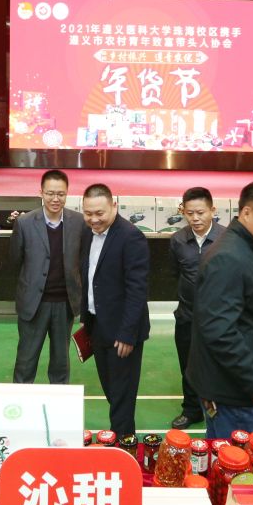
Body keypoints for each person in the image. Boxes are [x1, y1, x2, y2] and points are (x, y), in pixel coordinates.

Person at [187, 181, 253, 440]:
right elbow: (219, 331)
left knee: (221, 454)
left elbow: (246, 307)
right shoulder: (229, 258)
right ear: (246, 213)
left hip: (229, 386)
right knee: (237, 460)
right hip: (231, 393)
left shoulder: (248, 245)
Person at [79, 183, 150, 437]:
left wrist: (127, 333)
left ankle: (123, 445)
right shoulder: (88, 233)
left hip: (122, 332)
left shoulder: (131, 237)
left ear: (114, 207)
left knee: (122, 397)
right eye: (88, 213)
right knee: (111, 390)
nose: (94, 219)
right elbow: (91, 277)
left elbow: (137, 290)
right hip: (98, 326)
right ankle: (120, 440)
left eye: (100, 213)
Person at [9, 170, 84, 384]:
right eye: (50, 193)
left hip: (65, 304)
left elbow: (83, 260)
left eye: (61, 194)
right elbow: (15, 260)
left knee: (61, 363)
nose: (55, 199)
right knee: (26, 361)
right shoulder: (24, 223)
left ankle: (59, 402)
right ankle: (20, 401)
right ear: (41, 192)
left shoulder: (79, 222)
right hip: (34, 303)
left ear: (67, 193)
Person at [168, 187, 222, 430]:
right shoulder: (177, 240)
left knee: (217, 365)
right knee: (188, 365)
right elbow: (175, 273)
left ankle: (218, 409)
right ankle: (191, 410)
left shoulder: (227, 238)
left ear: (212, 210)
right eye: (190, 213)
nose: (196, 218)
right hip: (187, 316)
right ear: (183, 212)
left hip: (218, 317)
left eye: (201, 212)